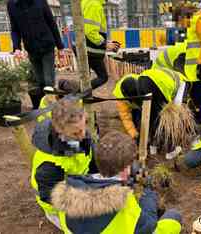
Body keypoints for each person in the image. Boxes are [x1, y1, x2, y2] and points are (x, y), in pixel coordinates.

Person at [50, 130, 182, 233]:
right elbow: (149, 227)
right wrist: (148, 192)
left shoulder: (68, 192)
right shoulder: (126, 205)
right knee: (174, 216)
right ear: (126, 170)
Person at [31, 98, 97, 227]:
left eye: (84, 127)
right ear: (59, 130)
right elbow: (53, 198)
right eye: (76, 133)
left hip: (80, 186)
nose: (83, 135)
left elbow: (93, 163)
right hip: (59, 205)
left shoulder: (80, 135)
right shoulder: (49, 164)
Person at [113, 67, 188, 156]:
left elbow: (158, 113)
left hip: (177, 84)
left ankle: (171, 147)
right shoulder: (121, 100)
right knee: (148, 118)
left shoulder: (144, 85)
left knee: (169, 119)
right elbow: (126, 118)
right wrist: (134, 135)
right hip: (156, 86)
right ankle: (152, 143)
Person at [7, 0, 64, 98]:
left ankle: (52, 107)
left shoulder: (40, 1)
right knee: (40, 82)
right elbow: (14, 28)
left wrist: (60, 47)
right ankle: (45, 108)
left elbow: (51, 23)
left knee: (48, 82)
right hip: (31, 48)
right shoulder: (11, 5)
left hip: (47, 45)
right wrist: (16, 47)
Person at [81, 0, 120, 90]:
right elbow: (90, 32)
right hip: (91, 49)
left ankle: (77, 94)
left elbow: (92, 30)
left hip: (87, 48)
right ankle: (74, 93)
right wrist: (105, 44)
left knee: (85, 79)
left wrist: (107, 42)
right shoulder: (94, 5)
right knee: (102, 77)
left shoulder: (87, 2)